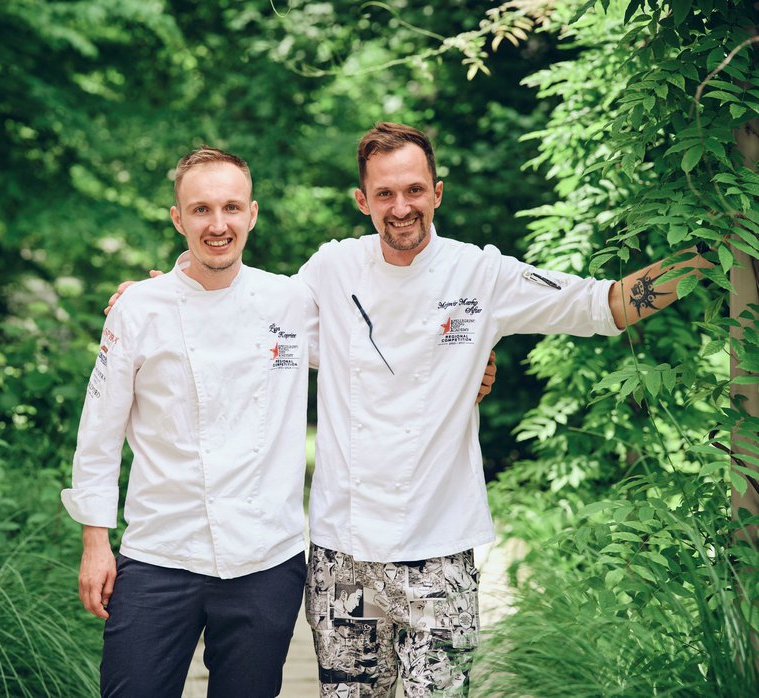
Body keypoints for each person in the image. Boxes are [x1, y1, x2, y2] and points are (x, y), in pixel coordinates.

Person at [105, 123, 711, 697]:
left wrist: (710, 255)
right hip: (344, 557)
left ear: (437, 193)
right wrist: (164, 291)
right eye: (385, 193)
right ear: (362, 201)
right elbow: (249, 321)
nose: (401, 207)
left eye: (415, 190)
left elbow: (605, 306)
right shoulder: (331, 268)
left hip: (441, 553)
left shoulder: (482, 273)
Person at [61, 147, 318, 697]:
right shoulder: (139, 309)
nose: (218, 224)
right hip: (160, 553)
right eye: (201, 209)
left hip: (265, 557)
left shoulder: (293, 302)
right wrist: (95, 541)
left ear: (252, 213)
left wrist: (474, 367)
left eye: (231, 208)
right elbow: (99, 431)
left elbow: (378, 355)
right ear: (178, 219)